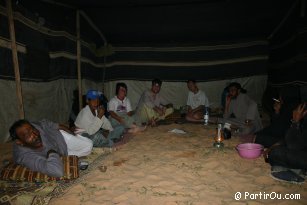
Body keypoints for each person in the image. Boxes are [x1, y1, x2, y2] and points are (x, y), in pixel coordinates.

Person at [9, 119, 93, 177]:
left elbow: (45, 123)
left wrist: (66, 129)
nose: (35, 135)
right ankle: (67, 158)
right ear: (19, 142)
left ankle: (68, 157)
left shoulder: (33, 126)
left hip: (60, 137)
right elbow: (57, 171)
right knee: (60, 163)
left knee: (89, 145)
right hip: (57, 153)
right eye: (28, 135)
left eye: (33, 130)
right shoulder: (25, 156)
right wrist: (51, 151)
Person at [264, 103, 307, 183]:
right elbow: (290, 139)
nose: (294, 111)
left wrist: (295, 122)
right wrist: (272, 146)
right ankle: (297, 170)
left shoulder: (299, 120)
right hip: (301, 151)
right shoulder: (304, 122)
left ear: (304, 112)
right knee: (274, 150)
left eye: (297, 110)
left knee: (275, 153)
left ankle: (296, 170)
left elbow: (293, 145)